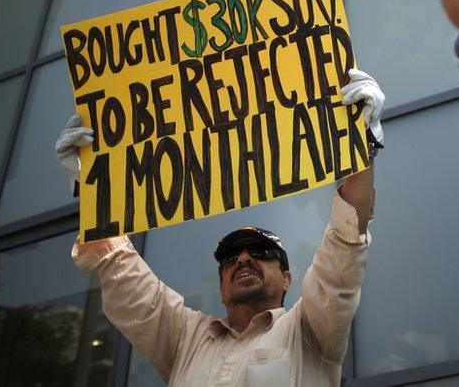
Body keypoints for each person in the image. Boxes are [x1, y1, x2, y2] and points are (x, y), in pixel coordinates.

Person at [55, 69, 385, 386]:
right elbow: (121, 269)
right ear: (221, 289)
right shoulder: (184, 339)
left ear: (287, 279)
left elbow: (344, 246)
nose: (242, 259)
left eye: (261, 251)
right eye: (229, 257)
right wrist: (91, 186)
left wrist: (361, 142)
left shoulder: (311, 330)